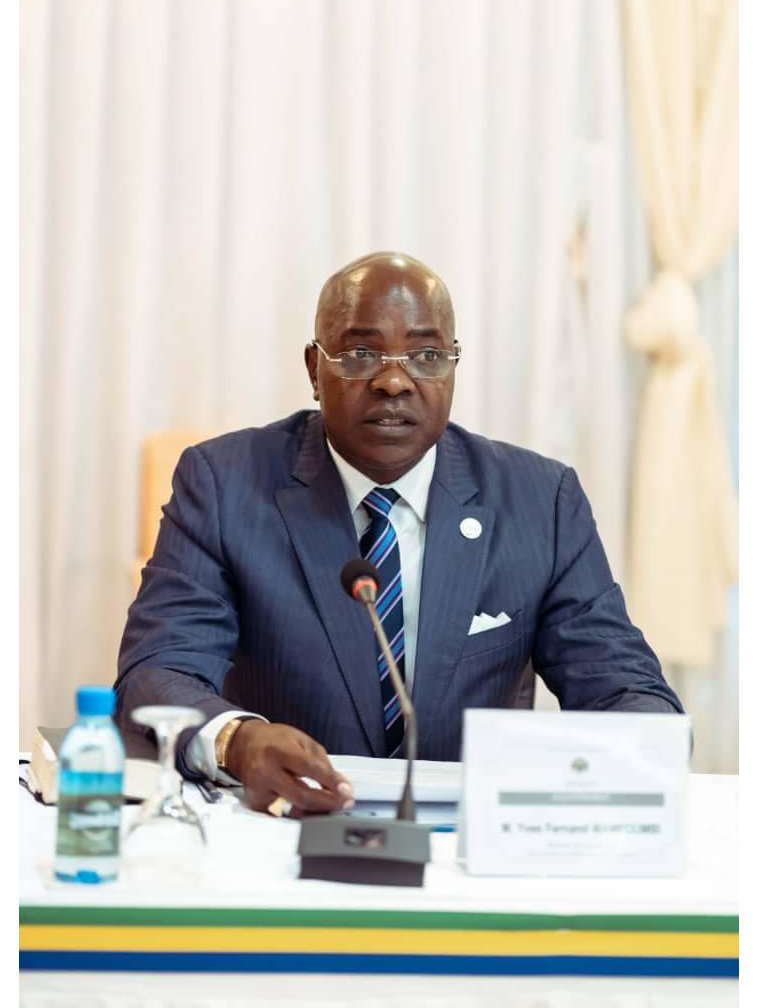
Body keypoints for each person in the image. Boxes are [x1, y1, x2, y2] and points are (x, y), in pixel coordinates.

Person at [115, 252, 683, 815]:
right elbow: (159, 670)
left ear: (453, 367)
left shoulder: (539, 501)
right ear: (314, 370)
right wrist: (238, 742)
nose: (393, 381)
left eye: (426, 356)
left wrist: (635, 751)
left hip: (469, 835)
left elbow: (621, 684)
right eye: (361, 354)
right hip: (282, 823)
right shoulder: (224, 484)